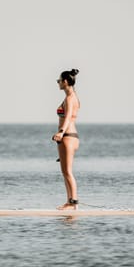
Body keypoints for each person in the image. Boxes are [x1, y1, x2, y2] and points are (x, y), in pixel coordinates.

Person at [52, 69, 81, 210]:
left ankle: (73, 201)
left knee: (67, 172)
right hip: (70, 137)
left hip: (68, 136)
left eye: (59, 80)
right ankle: (70, 202)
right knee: (65, 171)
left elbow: (68, 117)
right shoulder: (72, 97)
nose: (58, 83)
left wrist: (61, 133)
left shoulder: (70, 98)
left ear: (65, 82)